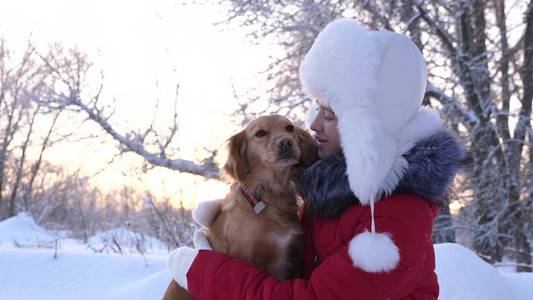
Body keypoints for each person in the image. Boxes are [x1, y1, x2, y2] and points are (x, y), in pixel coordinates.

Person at [167, 18, 468, 299]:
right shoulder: (330, 195)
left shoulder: (392, 219)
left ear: (370, 125)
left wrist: (203, 270)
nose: (311, 125)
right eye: (317, 109)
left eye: (330, 114)